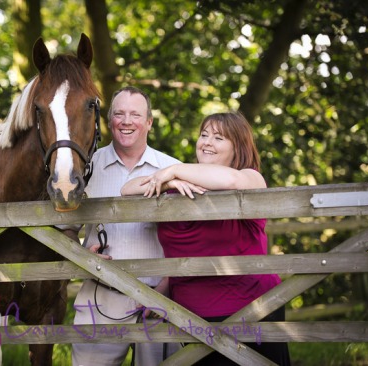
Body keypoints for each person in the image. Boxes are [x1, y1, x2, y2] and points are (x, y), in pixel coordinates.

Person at [121, 112, 291, 365]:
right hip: (192, 318)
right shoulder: (180, 187)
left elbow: (231, 179)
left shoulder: (250, 177)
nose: (207, 142)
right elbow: (127, 190)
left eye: (219, 137)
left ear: (238, 148)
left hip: (252, 310)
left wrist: (173, 170)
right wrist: (170, 183)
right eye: (204, 135)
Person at [71, 86, 181, 365]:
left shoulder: (172, 168)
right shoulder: (84, 169)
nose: (127, 121)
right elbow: (61, 226)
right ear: (109, 122)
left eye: (135, 114)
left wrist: (166, 289)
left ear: (149, 122)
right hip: (99, 297)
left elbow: (186, 238)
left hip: (158, 301)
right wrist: (78, 254)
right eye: (119, 114)